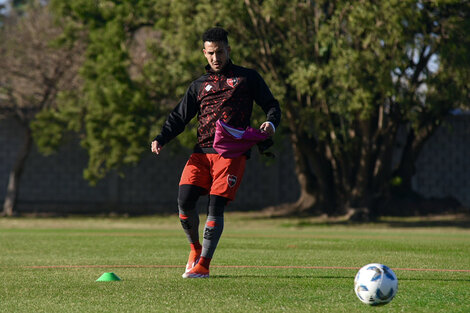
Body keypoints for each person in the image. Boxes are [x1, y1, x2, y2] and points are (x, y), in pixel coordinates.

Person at [151, 27, 281, 278]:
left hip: (231, 154)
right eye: (210, 53)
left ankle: (204, 265)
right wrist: (161, 138)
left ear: (228, 50)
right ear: (204, 53)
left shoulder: (247, 78)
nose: (215, 58)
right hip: (201, 152)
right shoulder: (198, 85)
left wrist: (270, 123)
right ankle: (195, 249)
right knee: (184, 200)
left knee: (215, 205)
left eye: (220, 52)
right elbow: (180, 117)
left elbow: (272, 105)